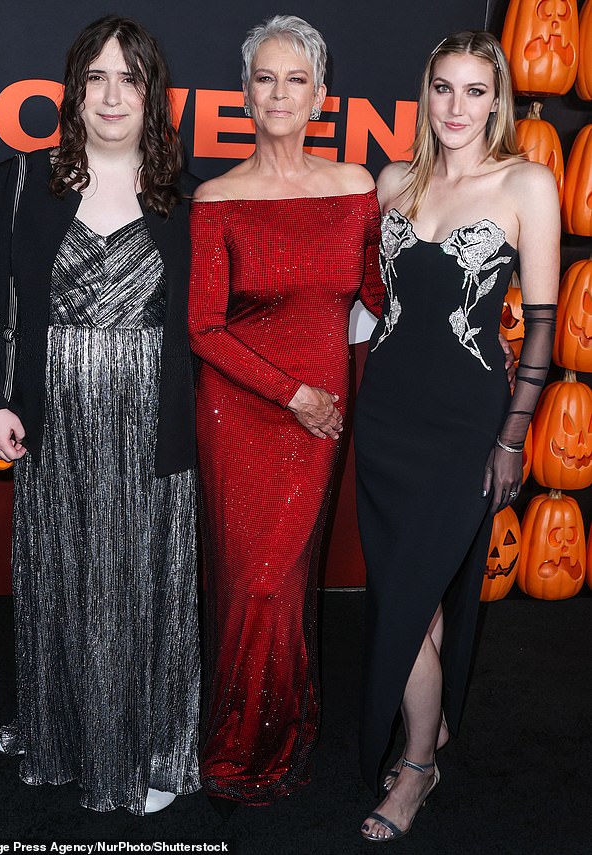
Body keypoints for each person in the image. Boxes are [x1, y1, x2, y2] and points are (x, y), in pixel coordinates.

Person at [0, 16, 200, 815]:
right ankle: (57, 731)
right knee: (60, 577)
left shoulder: (185, 199)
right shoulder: (21, 181)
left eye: (129, 78)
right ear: (74, 90)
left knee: (139, 584)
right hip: (53, 418)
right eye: (95, 77)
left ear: (151, 95)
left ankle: (147, 745)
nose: (110, 94)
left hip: (151, 421)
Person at [355, 31, 560, 842]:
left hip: (467, 418)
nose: (457, 108)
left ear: (497, 101)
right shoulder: (393, 180)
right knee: (411, 593)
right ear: (425, 91)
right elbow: (382, 299)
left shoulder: (529, 182)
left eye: (476, 92)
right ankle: (427, 724)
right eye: (444, 88)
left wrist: (513, 436)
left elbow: (542, 327)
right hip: (388, 412)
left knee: (410, 595)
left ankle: (415, 770)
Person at [188, 15, 385, 806]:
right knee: (250, 582)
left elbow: (379, 295)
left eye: (294, 79)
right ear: (244, 94)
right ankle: (240, 740)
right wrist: (293, 394)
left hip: (322, 418)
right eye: (264, 78)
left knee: (284, 577)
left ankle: (280, 723)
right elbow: (203, 328)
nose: (278, 92)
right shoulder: (218, 197)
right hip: (244, 410)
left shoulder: (356, 188)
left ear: (321, 97)